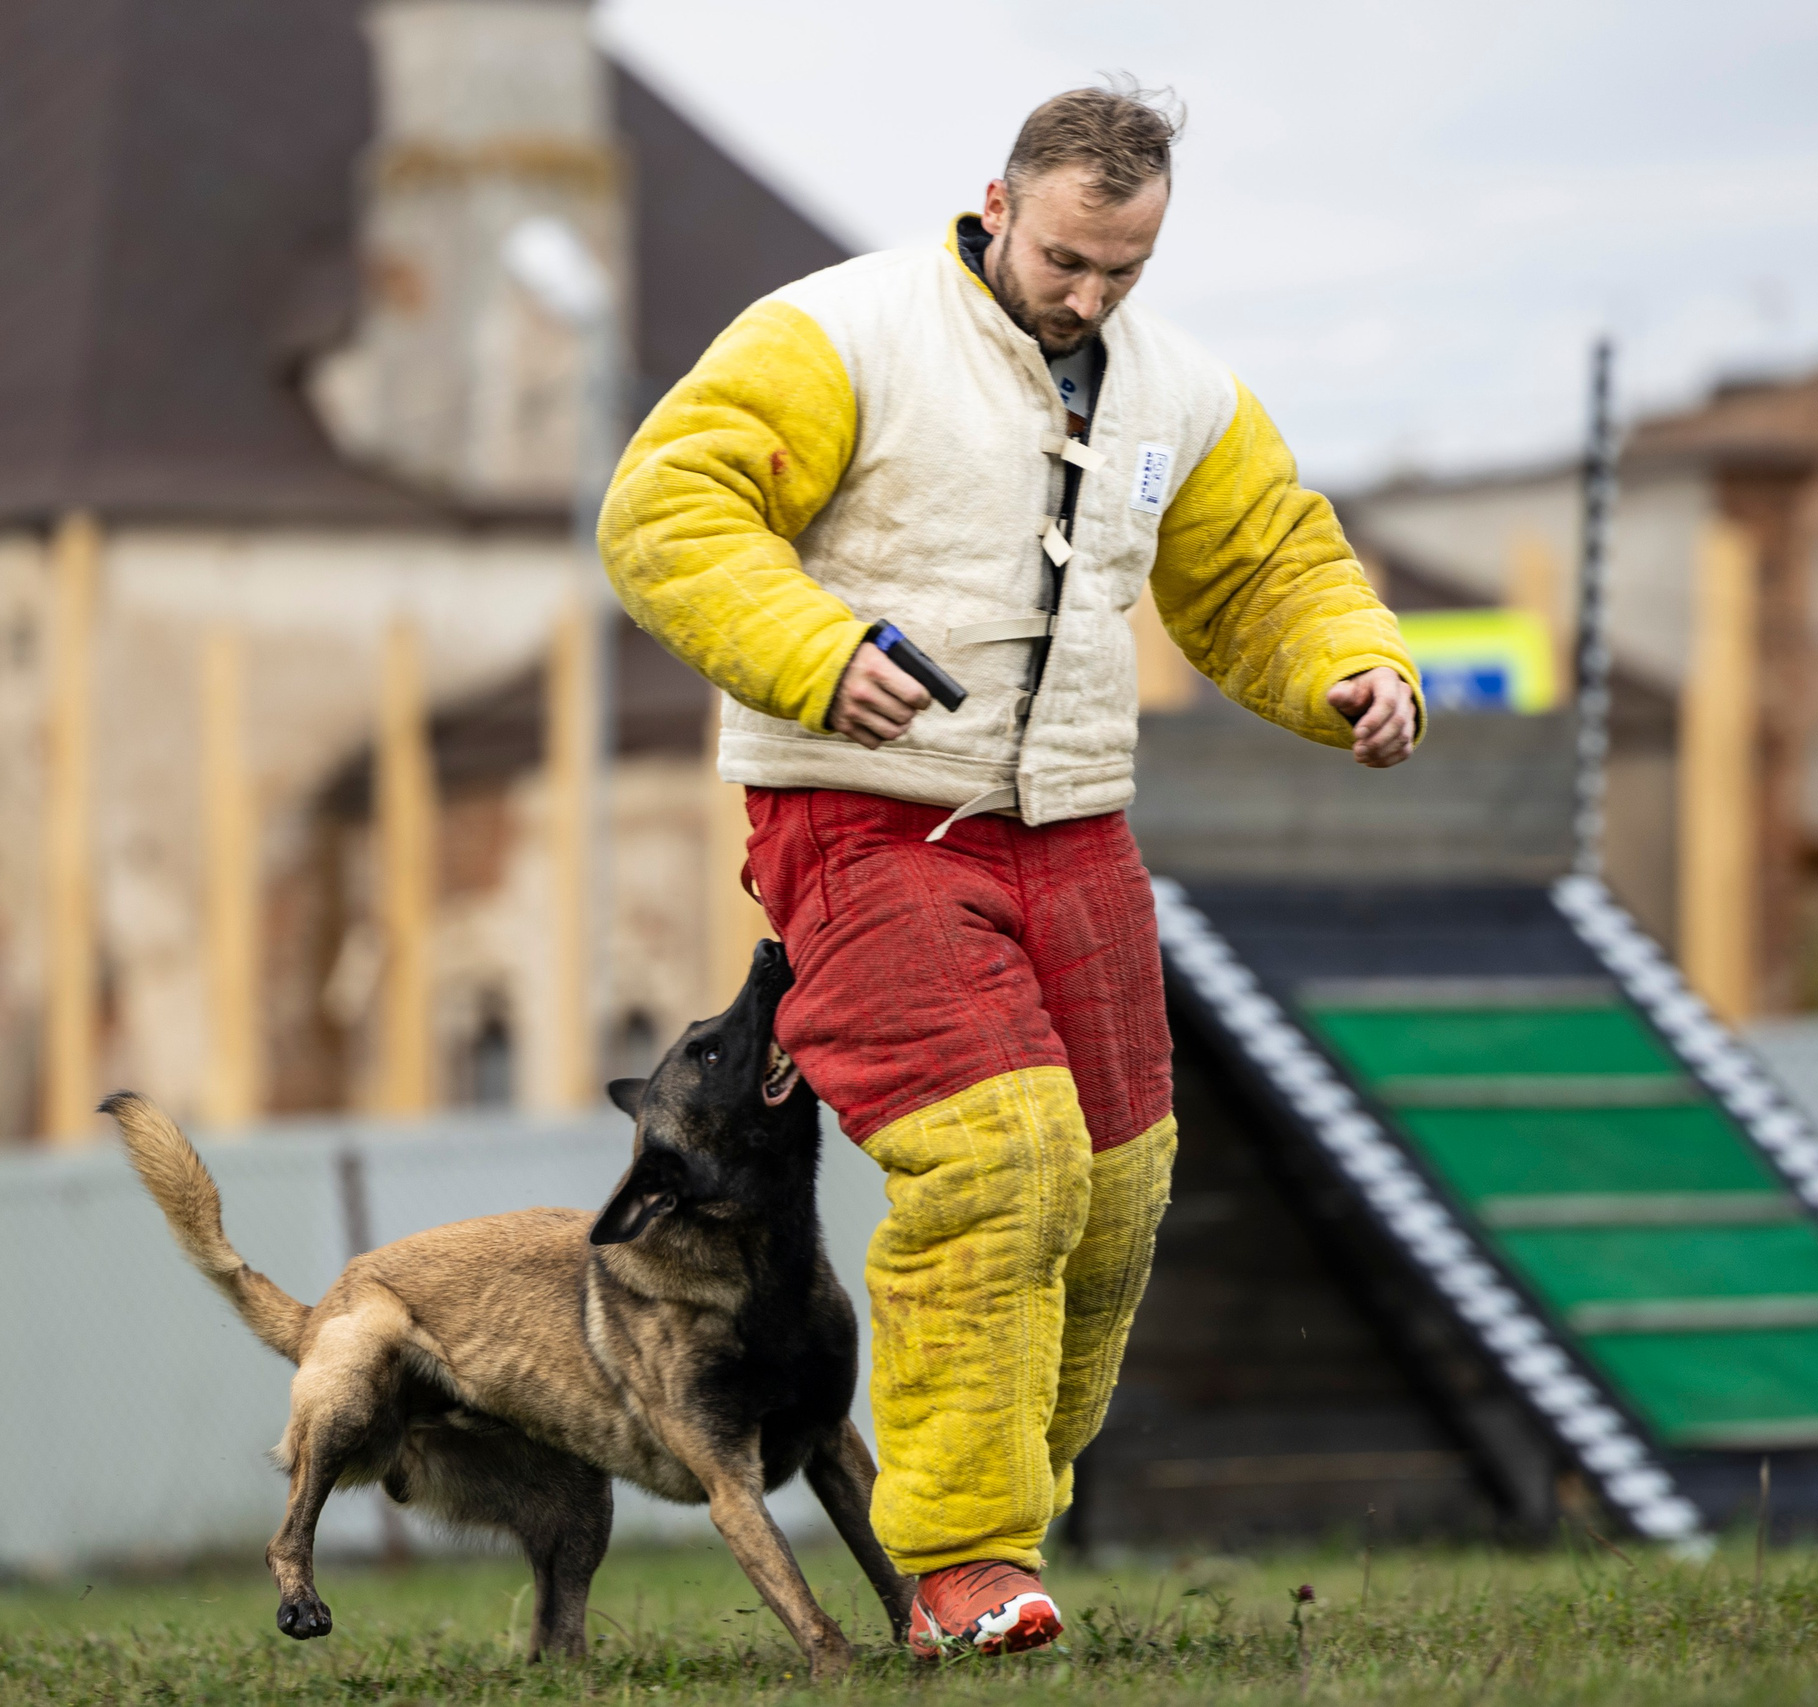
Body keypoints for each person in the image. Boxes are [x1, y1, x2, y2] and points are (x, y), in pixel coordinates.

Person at [599, 82, 1420, 1659]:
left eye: (1125, 269)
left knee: (1116, 1183)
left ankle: (1001, 1521)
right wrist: (816, 650)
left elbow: (1265, 565)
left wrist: (1352, 666)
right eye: (1064, 261)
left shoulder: (1181, 389)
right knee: (998, 1160)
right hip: (862, 813)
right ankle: (963, 1564)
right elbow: (666, 509)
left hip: (1077, 824)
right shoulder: (837, 334)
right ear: (997, 205)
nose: (1091, 297)